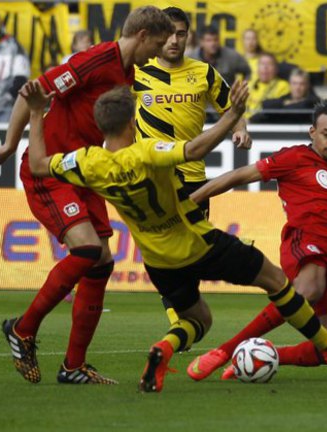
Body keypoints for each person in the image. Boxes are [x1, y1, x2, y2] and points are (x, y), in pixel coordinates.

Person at [21, 80, 327, 393]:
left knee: (197, 320)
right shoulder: (147, 151)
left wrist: (37, 114)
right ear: (132, 122)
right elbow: (193, 150)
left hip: (157, 259)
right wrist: (232, 114)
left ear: (100, 125)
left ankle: (164, 347)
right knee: (277, 282)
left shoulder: (86, 162)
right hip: (197, 242)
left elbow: (37, 164)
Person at [0, 6, 174, 385]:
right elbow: (32, 92)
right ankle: (22, 329)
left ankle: (73, 366)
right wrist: (9, 144)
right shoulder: (97, 60)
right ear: (143, 35)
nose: (156, 54)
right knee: (86, 250)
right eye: (157, 45)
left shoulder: (128, 74)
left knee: (101, 263)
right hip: (50, 170)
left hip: (82, 171)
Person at [186, 99, 327, 381]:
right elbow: (238, 175)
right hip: (305, 241)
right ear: (312, 132)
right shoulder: (294, 157)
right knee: (309, 289)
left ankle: (258, 358)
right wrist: (190, 201)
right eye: (326, 134)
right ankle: (224, 351)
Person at [133, 7, 251, 323]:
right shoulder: (137, 71)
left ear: (189, 37)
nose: (174, 40)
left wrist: (241, 130)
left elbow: (232, 108)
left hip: (193, 177)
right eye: (168, 33)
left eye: (181, 34)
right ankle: (179, 320)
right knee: (160, 250)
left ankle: (184, 318)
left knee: (192, 252)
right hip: (153, 177)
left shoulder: (204, 73)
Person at [249, 68, 320, 124]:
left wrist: (284, 105)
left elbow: (303, 106)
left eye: (301, 84)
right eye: (294, 83)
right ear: (290, 85)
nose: (297, 87)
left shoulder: (314, 102)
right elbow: (266, 105)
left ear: (307, 85)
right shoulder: (285, 99)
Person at [245, 53, 290, 119]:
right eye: (262, 64)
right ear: (257, 68)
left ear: (276, 69)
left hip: (266, 122)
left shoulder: (283, 86)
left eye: (269, 64)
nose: (265, 67)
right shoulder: (248, 85)